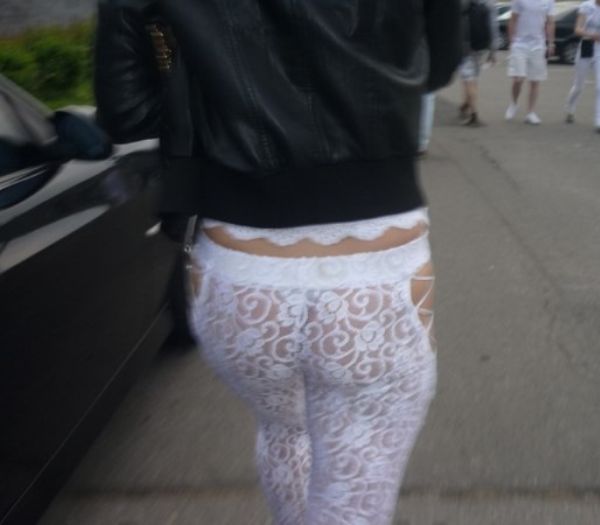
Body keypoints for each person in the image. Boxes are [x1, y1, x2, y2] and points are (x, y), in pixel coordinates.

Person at [94, 1, 462, 524]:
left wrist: (194, 70)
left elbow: (128, 112)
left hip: (239, 270)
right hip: (374, 270)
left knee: (284, 430)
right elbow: (440, 64)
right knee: (353, 497)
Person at [564, 0, 600, 134]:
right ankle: (570, 108)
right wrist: (591, 34)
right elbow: (577, 29)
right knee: (579, 85)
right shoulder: (586, 6)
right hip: (586, 47)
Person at [504, 0, 556, 125]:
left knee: (535, 80)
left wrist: (551, 43)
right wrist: (511, 41)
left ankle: (530, 113)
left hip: (538, 44)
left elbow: (550, 22)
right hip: (520, 43)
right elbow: (513, 19)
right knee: (518, 78)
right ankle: (514, 103)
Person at [458, 0, 498, 127]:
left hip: (464, 48)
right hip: (480, 47)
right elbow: (493, 28)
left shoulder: (462, 4)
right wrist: (493, 51)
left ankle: (473, 113)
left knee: (468, 80)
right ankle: (466, 105)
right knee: (473, 78)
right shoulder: (488, 5)